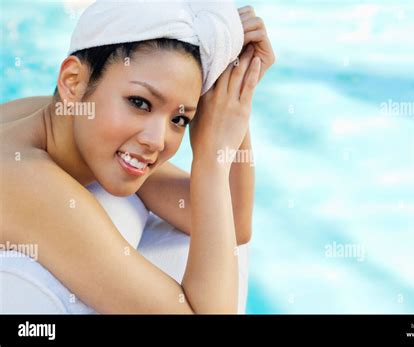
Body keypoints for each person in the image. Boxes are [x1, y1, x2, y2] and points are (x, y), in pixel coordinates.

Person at [0, 2, 275, 313]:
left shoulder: (73, 126)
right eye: (140, 103)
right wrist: (211, 161)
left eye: (180, 119)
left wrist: (236, 91)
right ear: (72, 82)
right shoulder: (30, 183)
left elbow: (235, 222)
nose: (156, 141)